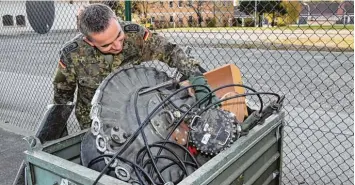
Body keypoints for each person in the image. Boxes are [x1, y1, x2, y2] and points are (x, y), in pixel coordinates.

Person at [52, 3, 208, 130]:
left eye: (119, 36)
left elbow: (170, 51)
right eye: (107, 45)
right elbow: (62, 98)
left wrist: (195, 77)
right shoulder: (72, 55)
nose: (118, 46)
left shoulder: (135, 35)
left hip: (134, 116)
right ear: (89, 41)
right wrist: (58, 136)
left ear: (116, 20)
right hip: (94, 123)